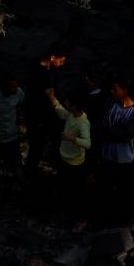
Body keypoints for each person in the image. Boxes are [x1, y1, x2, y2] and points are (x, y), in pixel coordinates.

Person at [96, 78, 134, 229]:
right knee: (106, 187)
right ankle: (105, 219)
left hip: (125, 158)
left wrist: (110, 130)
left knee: (124, 190)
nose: (112, 91)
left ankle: (123, 221)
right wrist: (116, 130)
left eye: (115, 88)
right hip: (108, 155)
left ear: (124, 90)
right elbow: (101, 126)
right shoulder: (110, 105)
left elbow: (126, 136)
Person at [24, 42, 69, 178]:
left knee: (50, 143)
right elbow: (35, 96)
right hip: (39, 115)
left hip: (48, 114)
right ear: (53, 57)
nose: (62, 64)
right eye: (61, 60)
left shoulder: (50, 71)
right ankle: (30, 173)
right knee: (38, 145)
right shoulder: (38, 72)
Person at [47, 90, 91, 218]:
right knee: (64, 187)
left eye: (68, 102)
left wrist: (71, 138)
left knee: (75, 191)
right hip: (64, 158)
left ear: (74, 106)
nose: (65, 103)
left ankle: (79, 217)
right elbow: (61, 112)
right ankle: (65, 211)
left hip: (74, 163)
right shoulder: (72, 115)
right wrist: (52, 98)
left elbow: (88, 144)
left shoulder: (83, 123)